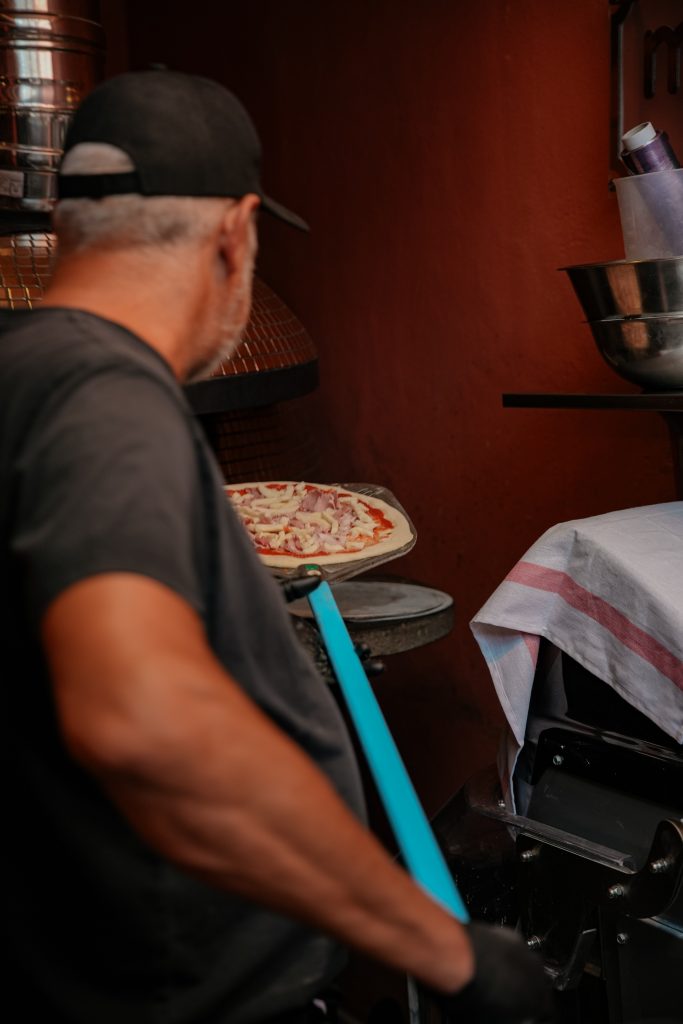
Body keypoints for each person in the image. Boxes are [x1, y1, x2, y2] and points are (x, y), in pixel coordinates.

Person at [0, 71, 551, 1024]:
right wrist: (440, 950)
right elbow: (138, 720)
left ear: (70, 221)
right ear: (235, 232)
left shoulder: (26, 376)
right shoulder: (107, 403)